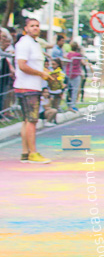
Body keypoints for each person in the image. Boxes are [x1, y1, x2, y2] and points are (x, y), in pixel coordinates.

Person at [14, 19, 52, 162]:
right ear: (26, 28)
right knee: (32, 121)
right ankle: (33, 153)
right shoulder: (24, 43)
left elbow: (33, 64)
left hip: (33, 86)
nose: (35, 28)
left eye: (37, 26)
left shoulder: (35, 44)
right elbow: (22, 65)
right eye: (32, 26)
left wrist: (45, 72)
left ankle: (25, 152)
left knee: (27, 121)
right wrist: (41, 74)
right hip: (27, 87)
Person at [64, 41, 89, 112]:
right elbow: (83, 63)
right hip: (76, 73)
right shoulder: (78, 55)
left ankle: (68, 104)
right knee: (75, 90)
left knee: (69, 89)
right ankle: (72, 105)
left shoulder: (68, 54)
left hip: (68, 73)